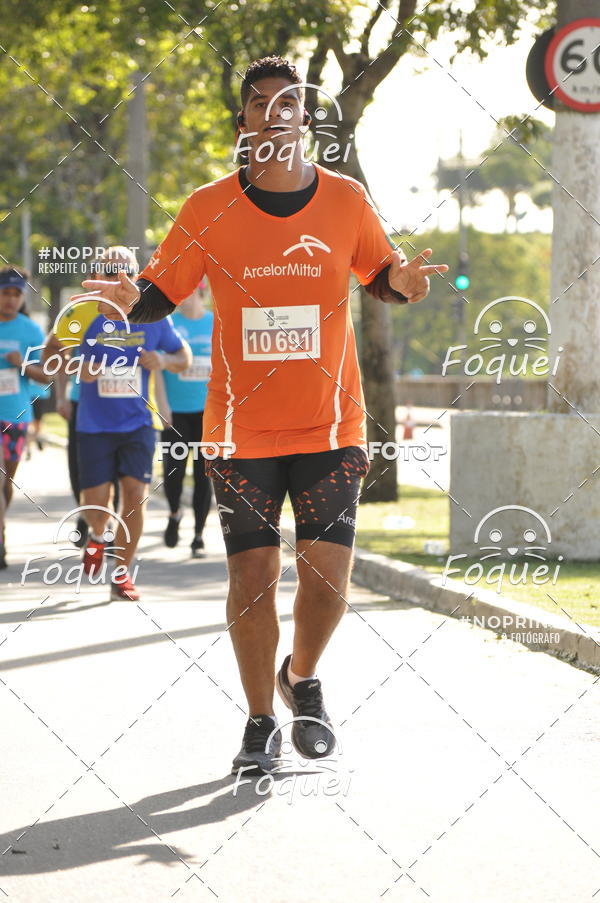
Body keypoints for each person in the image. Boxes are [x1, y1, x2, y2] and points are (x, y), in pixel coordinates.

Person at [74, 56, 448, 772]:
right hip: (240, 432)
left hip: (331, 425)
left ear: (305, 119)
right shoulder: (207, 206)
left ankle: (300, 674)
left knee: (328, 578)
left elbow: (381, 277)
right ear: (242, 123)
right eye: (260, 104)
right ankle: (259, 720)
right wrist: (133, 301)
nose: (275, 113)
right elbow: (162, 288)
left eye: (289, 103)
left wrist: (401, 281)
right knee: (251, 578)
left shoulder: (346, 200)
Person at [48, 247, 191, 600]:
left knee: (135, 497)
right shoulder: (80, 313)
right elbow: (51, 353)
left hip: (139, 423)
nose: (117, 278)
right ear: (99, 274)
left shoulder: (153, 315)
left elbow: (183, 357)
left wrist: (163, 359)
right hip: (93, 425)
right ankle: (98, 537)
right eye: (110, 271)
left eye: (124, 271)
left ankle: (122, 575)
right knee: (97, 505)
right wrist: (74, 367)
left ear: (136, 275)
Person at [155, 280, 213, 557]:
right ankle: (175, 513)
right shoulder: (168, 324)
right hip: (174, 412)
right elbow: (157, 366)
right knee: (174, 471)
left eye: (186, 291)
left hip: (208, 413)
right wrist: (161, 404)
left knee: (205, 474)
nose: (181, 296)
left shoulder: (216, 322)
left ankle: (199, 534)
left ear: (199, 292)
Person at [0, 266, 52, 567]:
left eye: (15, 294)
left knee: (6, 482)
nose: (9, 299)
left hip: (15, 416)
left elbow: (46, 376)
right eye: (4, 293)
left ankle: (2, 526)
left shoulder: (30, 331)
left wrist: (21, 365)